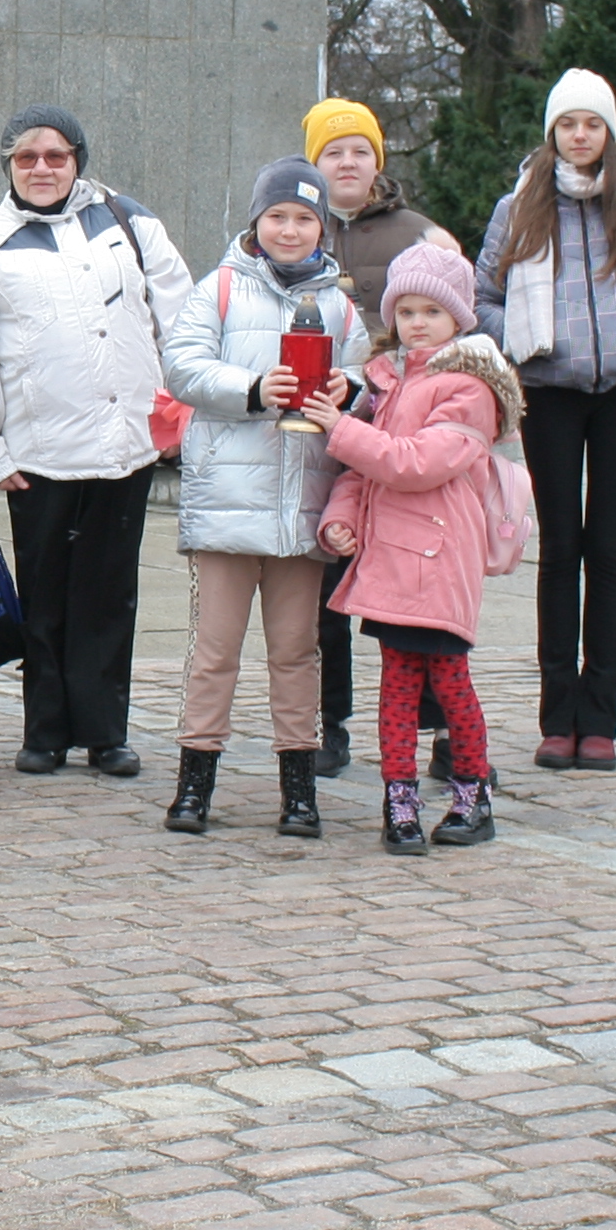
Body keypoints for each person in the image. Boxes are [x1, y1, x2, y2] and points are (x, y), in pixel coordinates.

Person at [0, 105, 194, 777]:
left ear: (78, 160)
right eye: (27, 157)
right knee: (48, 595)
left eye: (56, 156)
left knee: (110, 594)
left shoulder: (128, 222)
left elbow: (180, 319)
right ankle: (46, 730)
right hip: (38, 452)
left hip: (126, 444)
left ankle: (105, 731)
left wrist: (183, 409)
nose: (42, 169)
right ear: (8, 166)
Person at [473, 68, 616, 769]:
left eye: (592, 124)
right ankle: (557, 714)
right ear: (552, 133)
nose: (580, 135)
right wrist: (517, 337)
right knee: (561, 550)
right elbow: (482, 293)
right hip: (548, 388)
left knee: (607, 548)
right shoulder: (519, 204)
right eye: (568, 124)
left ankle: (600, 718)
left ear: (610, 133)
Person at [158, 160, 363, 837]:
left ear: (322, 228)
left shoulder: (339, 300)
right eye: (278, 216)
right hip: (228, 504)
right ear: (256, 222)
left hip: (302, 503)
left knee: (296, 651)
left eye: (305, 218)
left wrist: (349, 389)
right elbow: (183, 364)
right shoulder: (219, 288)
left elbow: (365, 371)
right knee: (214, 650)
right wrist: (251, 388)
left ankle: (298, 787)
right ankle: (196, 781)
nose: (290, 229)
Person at [307, 244, 524, 855]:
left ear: (459, 317)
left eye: (432, 309)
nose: (418, 322)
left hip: (440, 559)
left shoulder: (470, 389)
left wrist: (338, 428)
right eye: (406, 310)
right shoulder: (388, 382)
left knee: (451, 680)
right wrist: (340, 521)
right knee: (397, 685)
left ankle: (472, 794)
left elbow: (417, 464)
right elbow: (360, 473)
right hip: (390, 557)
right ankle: (398, 799)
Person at [303, 98, 460, 779]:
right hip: (324, 432)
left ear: (378, 161)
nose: (347, 162)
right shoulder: (290, 227)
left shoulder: (421, 234)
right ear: (313, 162)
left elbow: (459, 325)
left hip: (405, 430)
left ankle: (442, 723)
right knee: (323, 586)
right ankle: (327, 722)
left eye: (359, 151)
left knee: (419, 583)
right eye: (333, 151)